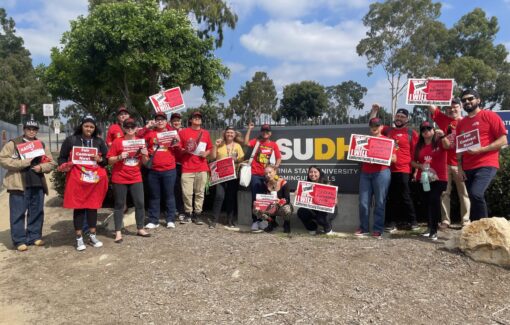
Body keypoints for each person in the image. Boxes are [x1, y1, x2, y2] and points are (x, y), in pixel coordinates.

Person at [0, 119, 56, 251]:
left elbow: (52, 163)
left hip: (37, 183)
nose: (31, 131)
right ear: (24, 129)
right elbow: (3, 160)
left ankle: (34, 236)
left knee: (36, 212)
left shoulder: (41, 144)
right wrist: (23, 163)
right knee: (18, 213)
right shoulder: (13, 143)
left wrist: (41, 167)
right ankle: (19, 240)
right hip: (19, 184)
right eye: (29, 129)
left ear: (37, 131)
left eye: (34, 129)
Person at [58, 115, 108, 251]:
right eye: (86, 126)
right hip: (77, 180)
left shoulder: (99, 141)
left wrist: (99, 159)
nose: (89, 129)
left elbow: (106, 161)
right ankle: (79, 238)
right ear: (81, 126)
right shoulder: (71, 140)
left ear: (95, 128)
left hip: (93, 180)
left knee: (92, 207)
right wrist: (65, 165)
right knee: (79, 207)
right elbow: (61, 158)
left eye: (91, 127)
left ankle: (92, 235)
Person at [456, 89, 508, 221]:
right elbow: (460, 149)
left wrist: (481, 149)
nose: (467, 102)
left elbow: (503, 140)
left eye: (470, 98)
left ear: (478, 100)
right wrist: (460, 168)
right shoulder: (461, 123)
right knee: (473, 198)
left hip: (486, 164)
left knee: (476, 194)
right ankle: (475, 229)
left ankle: (484, 227)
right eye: (464, 100)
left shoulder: (489, 115)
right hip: (467, 167)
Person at [370, 104, 419, 231]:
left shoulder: (411, 133)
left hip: (404, 169)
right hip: (387, 169)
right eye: (397, 116)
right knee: (390, 197)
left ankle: (413, 222)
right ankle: (390, 223)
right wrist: (375, 111)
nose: (399, 118)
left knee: (405, 196)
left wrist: (416, 170)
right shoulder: (388, 130)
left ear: (407, 119)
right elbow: (373, 124)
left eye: (402, 117)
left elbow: (416, 153)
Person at [107, 118, 151, 243]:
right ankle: (118, 232)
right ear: (124, 128)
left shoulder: (140, 142)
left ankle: (140, 228)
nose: (130, 129)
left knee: (140, 203)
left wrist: (144, 154)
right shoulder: (117, 142)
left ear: (136, 128)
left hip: (136, 177)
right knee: (120, 205)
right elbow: (110, 161)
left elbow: (146, 162)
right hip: (120, 177)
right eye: (127, 127)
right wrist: (120, 157)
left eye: (133, 127)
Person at [428, 99, 470, 227]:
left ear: (461, 107)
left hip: (461, 164)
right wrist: (430, 90)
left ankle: (466, 221)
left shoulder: (467, 121)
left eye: (455, 107)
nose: (452, 110)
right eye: (449, 108)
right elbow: (432, 107)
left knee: (464, 193)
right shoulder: (443, 119)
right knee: (444, 193)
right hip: (444, 163)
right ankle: (446, 220)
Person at [355, 117, 394, 239]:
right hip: (365, 173)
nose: (374, 127)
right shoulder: (364, 140)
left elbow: (395, 159)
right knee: (363, 202)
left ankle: (378, 229)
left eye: (377, 125)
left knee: (380, 202)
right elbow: (356, 155)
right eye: (372, 125)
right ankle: (364, 228)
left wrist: (383, 155)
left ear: (382, 127)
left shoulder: (388, 140)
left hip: (381, 173)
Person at [411, 122, 450, 241]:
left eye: (429, 128)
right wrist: (420, 166)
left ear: (433, 130)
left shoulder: (439, 142)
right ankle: (429, 228)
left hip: (439, 178)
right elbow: (412, 162)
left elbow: (448, 147)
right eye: (423, 129)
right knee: (426, 202)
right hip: (424, 178)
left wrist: (443, 136)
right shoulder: (418, 146)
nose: (426, 131)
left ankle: (434, 230)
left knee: (434, 200)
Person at [143, 112, 179, 229]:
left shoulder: (172, 133)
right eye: (157, 119)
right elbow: (138, 139)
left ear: (166, 121)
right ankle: (154, 220)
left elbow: (178, 148)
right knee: (154, 196)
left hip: (169, 170)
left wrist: (177, 141)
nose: (160, 121)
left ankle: (170, 219)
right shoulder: (150, 134)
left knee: (169, 195)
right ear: (155, 121)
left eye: (162, 119)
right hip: (153, 170)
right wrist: (147, 127)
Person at [244, 123, 282, 232]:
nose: (265, 133)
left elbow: (279, 158)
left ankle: (269, 221)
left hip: (268, 176)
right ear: (261, 132)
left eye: (267, 131)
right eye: (264, 131)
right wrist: (249, 129)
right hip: (255, 174)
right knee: (256, 198)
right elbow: (246, 143)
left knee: (269, 198)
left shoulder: (273, 145)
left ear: (270, 133)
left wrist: (276, 167)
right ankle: (255, 221)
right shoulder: (257, 141)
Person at [178, 111, 212, 225]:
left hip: (202, 167)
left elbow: (210, 148)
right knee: (187, 193)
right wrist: (185, 150)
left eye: (199, 117)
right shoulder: (183, 132)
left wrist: (206, 153)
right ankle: (188, 213)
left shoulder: (205, 133)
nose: (197, 119)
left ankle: (197, 214)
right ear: (190, 120)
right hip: (187, 167)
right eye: (195, 117)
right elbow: (178, 148)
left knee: (200, 193)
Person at [210, 126, 245, 228]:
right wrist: (215, 146)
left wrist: (236, 159)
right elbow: (212, 157)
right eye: (228, 132)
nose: (230, 134)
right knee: (219, 196)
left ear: (234, 135)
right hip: (220, 175)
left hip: (232, 174)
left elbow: (241, 160)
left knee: (231, 197)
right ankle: (214, 220)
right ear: (225, 133)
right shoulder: (219, 144)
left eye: (232, 133)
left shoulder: (238, 146)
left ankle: (230, 220)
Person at [297, 166, 337, 236]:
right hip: (314, 209)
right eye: (311, 172)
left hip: (327, 210)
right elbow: (301, 199)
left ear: (320, 173)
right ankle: (312, 228)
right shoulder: (306, 185)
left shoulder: (326, 183)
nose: (313, 174)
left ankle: (328, 229)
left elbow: (335, 201)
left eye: (315, 172)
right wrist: (298, 193)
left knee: (321, 218)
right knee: (301, 211)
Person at [252, 165, 292, 233]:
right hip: (271, 207)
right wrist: (258, 203)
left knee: (287, 209)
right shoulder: (265, 184)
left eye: (270, 172)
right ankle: (271, 222)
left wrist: (279, 201)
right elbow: (263, 198)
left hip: (281, 207)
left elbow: (287, 200)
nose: (268, 175)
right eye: (266, 174)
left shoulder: (283, 183)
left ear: (275, 172)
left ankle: (286, 224)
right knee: (256, 209)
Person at [170, 112, 186, 221]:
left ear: (181, 121)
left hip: (184, 163)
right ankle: (178, 209)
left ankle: (185, 210)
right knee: (175, 188)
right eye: (174, 120)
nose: (176, 122)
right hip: (172, 163)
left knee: (185, 188)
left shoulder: (185, 132)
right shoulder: (168, 133)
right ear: (171, 122)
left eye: (178, 120)